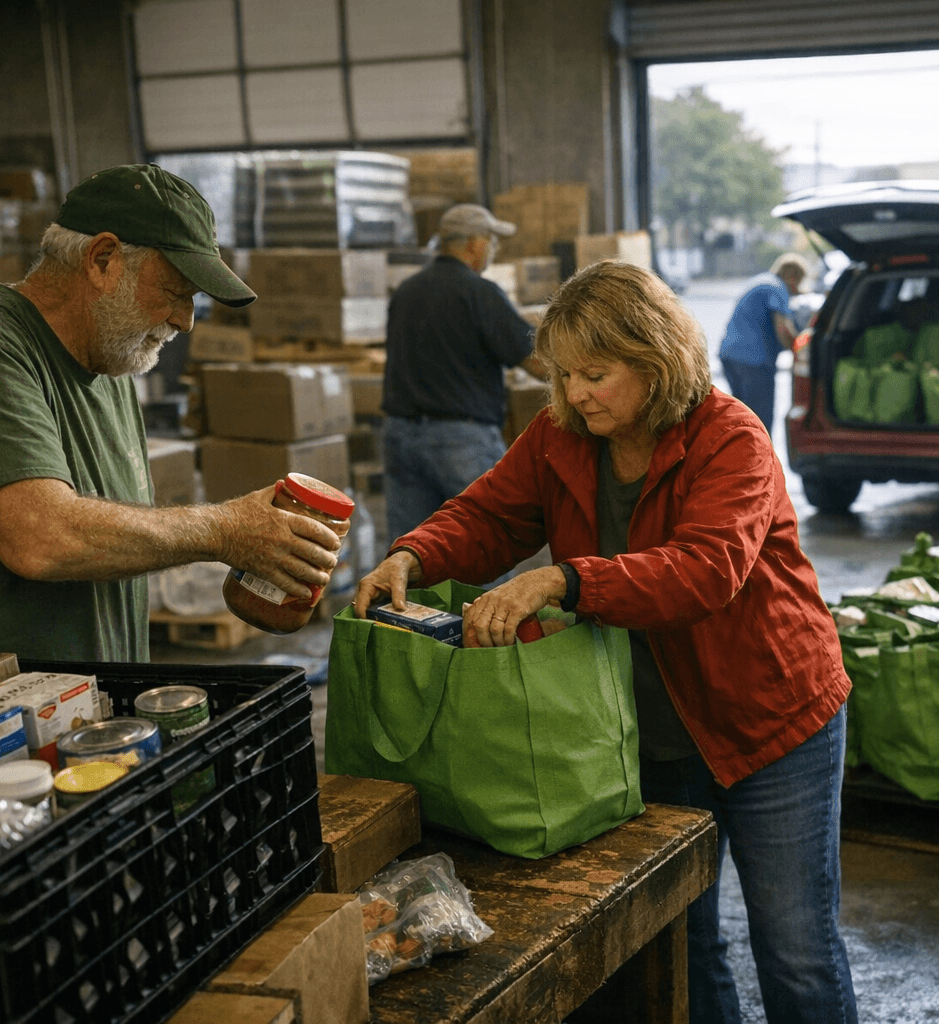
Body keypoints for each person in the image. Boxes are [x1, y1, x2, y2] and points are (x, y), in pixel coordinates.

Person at [355, 260, 858, 1023]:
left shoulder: (732, 439)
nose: (578, 392)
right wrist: (414, 554)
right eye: (565, 374)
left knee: (795, 948)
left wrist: (563, 581)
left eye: (597, 373)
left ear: (655, 362)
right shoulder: (561, 436)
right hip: (652, 734)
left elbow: (705, 570)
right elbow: (491, 514)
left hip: (771, 724)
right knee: (681, 940)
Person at [0, 164, 342, 664]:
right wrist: (224, 531)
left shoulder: (110, 363)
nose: (184, 322)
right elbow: (41, 539)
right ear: (102, 260)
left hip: (60, 718)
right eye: (175, 292)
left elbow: (109, 538)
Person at [380, 202, 547, 540]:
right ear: (476, 243)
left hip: (400, 435)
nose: (495, 250)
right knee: (487, 543)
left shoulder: (406, 291)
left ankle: (404, 597)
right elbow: (535, 362)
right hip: (460, 441)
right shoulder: (480, 293)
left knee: (412, 552)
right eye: (493, 242)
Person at [717, 252, 809, 433]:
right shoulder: (777, 288)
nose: (797, 288)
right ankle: (760, 458)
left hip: (730, 356)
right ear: (792, 275)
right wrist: (801, 353)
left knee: (742, 416)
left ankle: (741, 457)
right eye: (798, 282)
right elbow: (783, 329)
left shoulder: (762, 281)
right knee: (760, 420)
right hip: (753, 361)